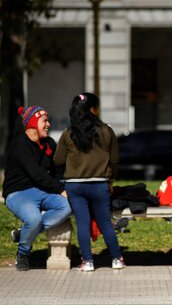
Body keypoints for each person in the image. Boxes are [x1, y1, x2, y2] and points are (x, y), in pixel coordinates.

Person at [55, 93, 125, 271]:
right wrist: (110, 180)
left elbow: (58, 160)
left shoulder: (68, 133)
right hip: (100, 184)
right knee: (105, 223)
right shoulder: (106, 131)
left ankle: (87, 261)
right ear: (93, 109)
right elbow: (115, 160)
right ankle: (117, 258)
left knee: (83, 223)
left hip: (75, 185)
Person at [2, 105, 72, 271]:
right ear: (32, 123)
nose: (48, 124)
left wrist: (61, 187)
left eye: (48, 121)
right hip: (18, 193)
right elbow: (36, 173)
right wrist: (59, 189)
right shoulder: (19, 144)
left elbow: (55, 172)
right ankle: (23, 253)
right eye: (44, 121)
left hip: (41, 190)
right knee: (34, 219)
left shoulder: (49, 144)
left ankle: (24, 233)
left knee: (66, 207)